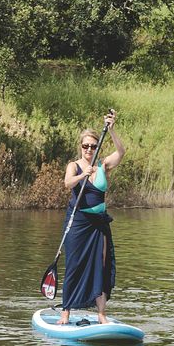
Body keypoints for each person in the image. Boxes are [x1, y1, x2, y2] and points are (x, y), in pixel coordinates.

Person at [58, 110, 124, 325]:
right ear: (81, 147)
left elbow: (121, 152)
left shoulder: (103, 165)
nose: (89, 150)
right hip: (78, 222)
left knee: (101, 265)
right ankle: (66, 311)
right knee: (75, 264)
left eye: (93, 146)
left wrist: (112, 129)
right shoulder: (74, 165)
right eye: (85, 146)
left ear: (98, 148)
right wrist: (81, 175)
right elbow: (68, 183)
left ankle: (101, 314)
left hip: (99, 224)